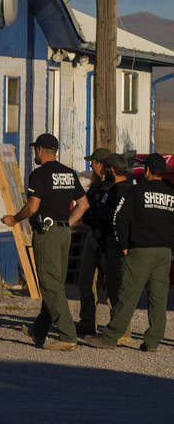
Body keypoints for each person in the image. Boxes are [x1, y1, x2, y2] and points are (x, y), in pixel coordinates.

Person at [2, 133, 89, 351]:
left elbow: (32, 207)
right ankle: (39, 330)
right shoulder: (69, 174)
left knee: (49, 283)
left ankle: (68, 336)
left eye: (35, 151)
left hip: (47, 234)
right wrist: (67, 224)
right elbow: (83, 204)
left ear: (40, 150)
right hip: (63, 233)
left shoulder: (39, 174)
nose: (35, 154)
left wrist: (13, 219)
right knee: (56, 284)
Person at [86, 153, 174, 352]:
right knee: (159, 297)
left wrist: (123, 244)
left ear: (148, 170)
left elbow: (120, 218)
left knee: (128, 295)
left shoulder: (137, 191)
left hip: (140, 250)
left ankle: (110, 337)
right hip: (164, 252)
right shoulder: (171, 193)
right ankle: (152, 341)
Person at [95, 153, 134, 345]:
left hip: (116, 244)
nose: (103, 173)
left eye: (105, 169)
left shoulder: (120, 191)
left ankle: (122, 330)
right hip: (113, 243)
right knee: (115, 288)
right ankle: (120, 327)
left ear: (111, 169)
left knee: (116, 288)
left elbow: (116, 219)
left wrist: (121, 243)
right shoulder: (124, 189)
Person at [76, 147, 112, 336]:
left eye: (94, 162)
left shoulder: (116, 186)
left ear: (102, 164)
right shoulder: (96, 185)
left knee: (113, 284)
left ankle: (119, 328)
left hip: (108, 239)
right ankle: (87, 322)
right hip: (92, 235)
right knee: (86, 280)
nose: (91, 165)